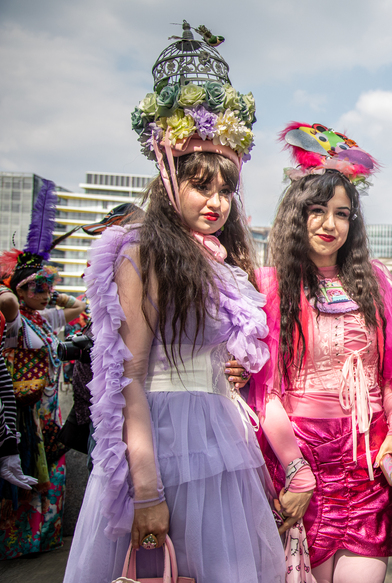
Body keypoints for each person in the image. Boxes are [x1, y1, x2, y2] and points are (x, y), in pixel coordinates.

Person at [63, 24, 286, 582]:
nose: (215, 201)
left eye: (225, 189)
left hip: (219, 435)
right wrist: (145, 490)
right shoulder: (139, 254)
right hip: (162, 440)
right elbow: (130, 376)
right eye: (201, 186)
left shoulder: (217, 258)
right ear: (168, 180)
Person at [230, 122, 392, 583]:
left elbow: (391, 374)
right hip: (300, 459)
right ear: (297, 215)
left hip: (367, 461)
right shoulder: (268, 285)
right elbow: (263, 390)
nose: (331, 224)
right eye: (317, 211)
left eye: (343, 213)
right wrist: (296, 469)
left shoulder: (376, 280)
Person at [0, 178, 87, 558]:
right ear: (21, 290)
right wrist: (13, 285)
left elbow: (79, 307)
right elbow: (5, 301)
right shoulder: (17, 321)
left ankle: (44, 539)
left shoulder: (46, 318)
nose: (47, 289)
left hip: (49, 410)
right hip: (23, 410)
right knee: (24, 474)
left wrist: (44, 280)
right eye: (39, 285)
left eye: (49, 283)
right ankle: (18, 543)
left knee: (53, 472)